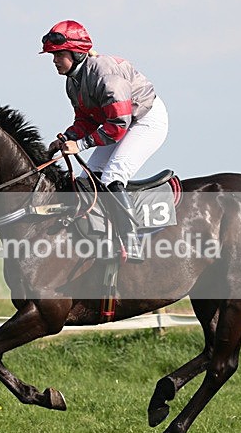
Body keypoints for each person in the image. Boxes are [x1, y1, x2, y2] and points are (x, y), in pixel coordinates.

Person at [41, 20, 169, 260]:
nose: (54, 61)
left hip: (145, 120)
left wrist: (79, 145)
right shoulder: (73, 82)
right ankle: (102, 237)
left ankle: (132, 242)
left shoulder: (105, 74)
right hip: (120, 122)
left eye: (58, 54)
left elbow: (119, 124)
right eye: (53, 55)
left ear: (77, 53)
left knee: (112, 177)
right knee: (86, 179)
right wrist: (67, 137)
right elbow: (87, 120)